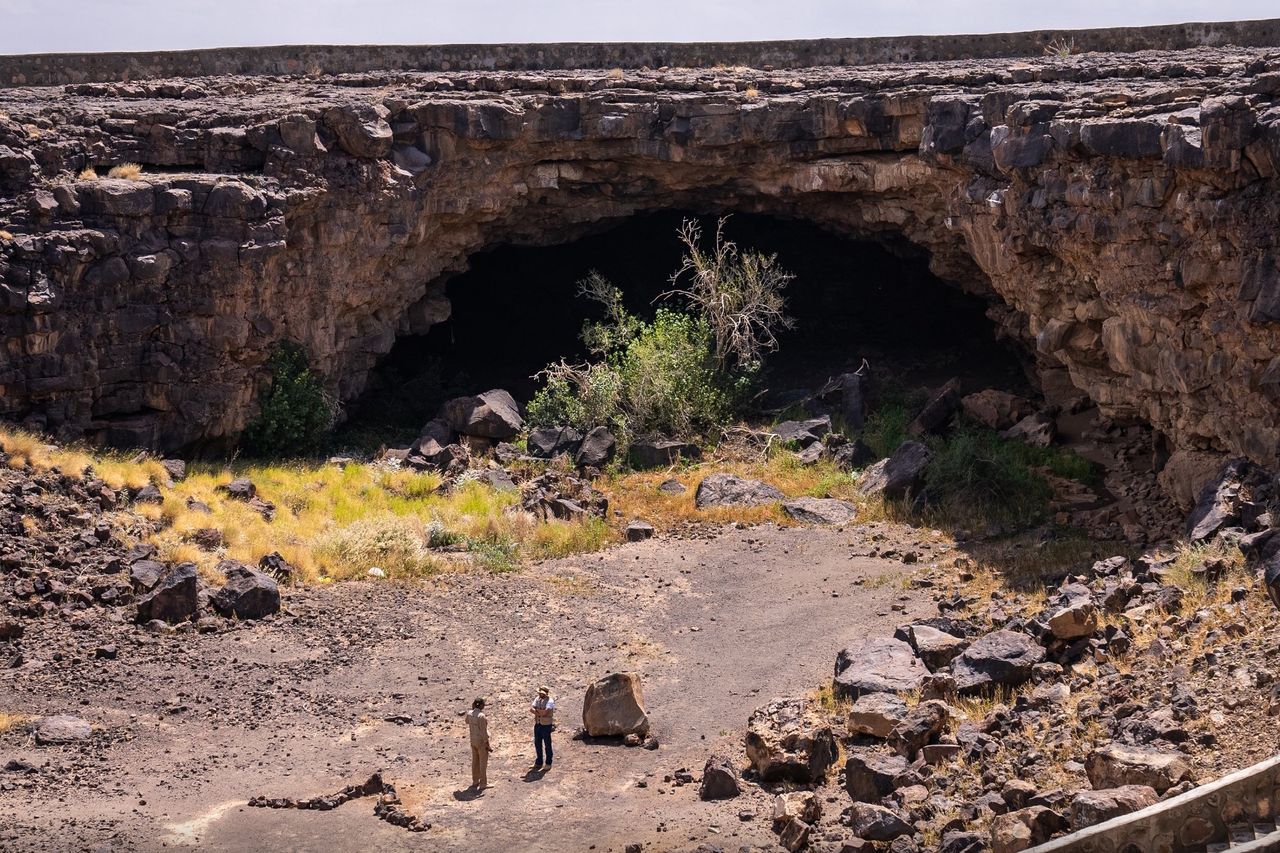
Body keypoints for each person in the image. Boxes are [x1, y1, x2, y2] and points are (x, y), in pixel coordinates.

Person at [465, 697, 491, 790]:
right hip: (480, 741)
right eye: (483, 704)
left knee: (475, 761)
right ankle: (483, 783)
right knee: (483, 763)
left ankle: (475, 780)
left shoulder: (469, 714)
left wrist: (472, 710)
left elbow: (467, 721)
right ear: (480, 705)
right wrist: (487, 744)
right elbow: (484, 732)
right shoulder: (481, 716)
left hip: (473, 740)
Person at [530, 685, 555, 770]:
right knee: (537, 744)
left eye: (542, 693)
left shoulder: (550, 701)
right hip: (538, 724)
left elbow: (545, 713)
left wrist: (537, 711)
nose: (540, 694)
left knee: (547, 745)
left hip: (546, 725)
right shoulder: (537, 699)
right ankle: (539, 762)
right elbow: (531, 709)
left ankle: (548, 763)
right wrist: (540, 712)